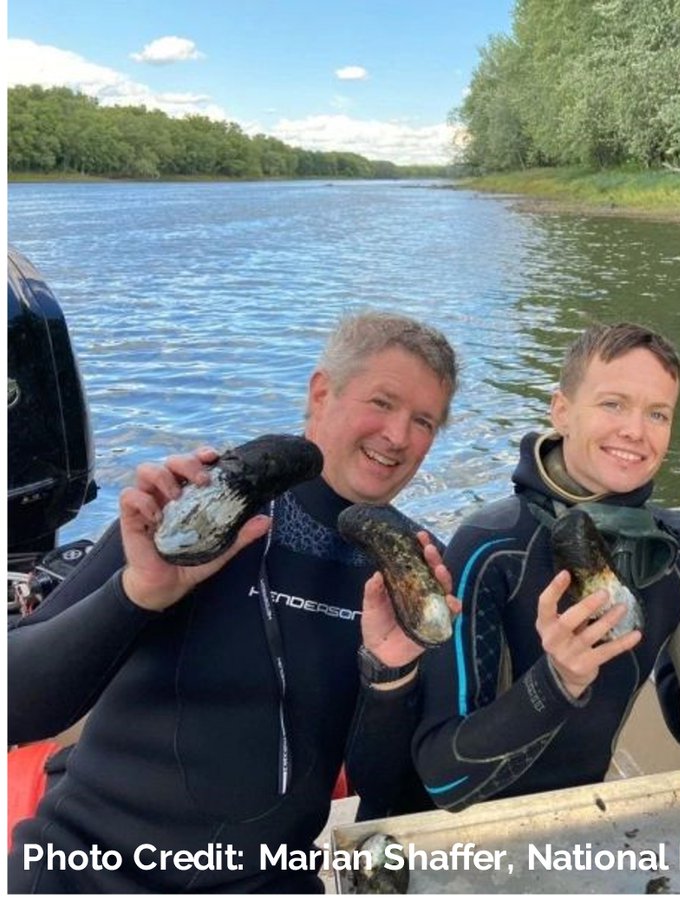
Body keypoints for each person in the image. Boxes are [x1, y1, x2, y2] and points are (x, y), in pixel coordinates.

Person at [8, 311, 459, 892]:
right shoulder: (195, 510)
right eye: (382, 401)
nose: (398, 435)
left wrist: (390, 677)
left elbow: (393, 796)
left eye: (423, 420)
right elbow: (14, 708)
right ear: (322, 392)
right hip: (91, 862)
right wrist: (139, 593)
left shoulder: (413, 572)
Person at [413, 322, 680, 811]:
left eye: (658, 414)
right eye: (613, 404)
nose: (635, 431)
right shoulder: (489, 548)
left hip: (585, 824)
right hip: (463, 837)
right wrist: (558, 681)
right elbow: (444, 780)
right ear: (562, 411)